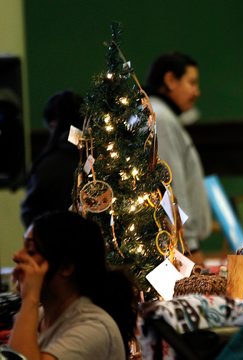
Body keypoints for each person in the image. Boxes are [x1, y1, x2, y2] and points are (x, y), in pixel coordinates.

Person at [8, 210, 138, 359]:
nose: (17, 256)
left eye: (31, 251)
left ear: (66, 267)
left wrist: (29, 299)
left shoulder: (94, 328)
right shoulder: (40, 317)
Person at [144, 52, 212, 264]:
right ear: (170, 80)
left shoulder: (159, 115)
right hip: (179, 245)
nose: (197, 92)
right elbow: (171, 186)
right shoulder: (162, 119)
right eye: (191, 83)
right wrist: (190, 244)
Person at [20, 90, 84, 228]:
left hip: (53, 243)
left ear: (53, 124)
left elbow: (30, 211)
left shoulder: (47, 164)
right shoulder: (100, 158)